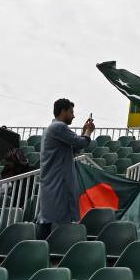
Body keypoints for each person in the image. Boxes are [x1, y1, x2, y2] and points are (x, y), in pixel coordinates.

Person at [38, 98, 94, 239]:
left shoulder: (52, 128)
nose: (73, 116)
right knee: (56, 222)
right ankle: (46, 252)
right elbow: (81, 143)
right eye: (71, 112)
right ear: (63, 111)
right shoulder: (59, 127)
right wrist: (88, 132)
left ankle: (43, 251)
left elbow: (73, 148)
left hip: (53, 182)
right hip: (58, 182)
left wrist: (83, 133)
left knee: (48, 220)